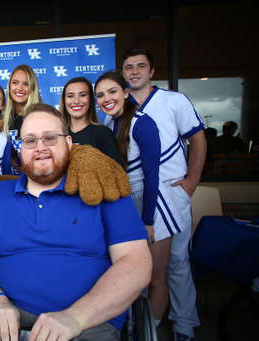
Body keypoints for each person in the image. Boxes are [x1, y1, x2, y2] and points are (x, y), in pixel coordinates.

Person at [0, 103, 152, 341]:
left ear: (69, 143)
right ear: (20, 148)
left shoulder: (103, 188)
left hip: (88, 322)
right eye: (30, 140)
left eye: (50, 138)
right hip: (6, 317)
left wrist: (76, 317)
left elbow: (136, 263)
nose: (40, 147)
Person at [122, 47, 206, 341]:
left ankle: (184, 324)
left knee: (178, 261)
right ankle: (146, 325)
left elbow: (198, 139)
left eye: (140, 66)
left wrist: (192, 181)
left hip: (172, 192)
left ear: (151, 71)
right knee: (141, 263)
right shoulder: (120, 107)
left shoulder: (174, 100)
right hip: (136, 195)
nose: (134, 71)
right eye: (129, 67)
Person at [95, 71, 174, 331]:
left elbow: (153, 175)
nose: (107, 98)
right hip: (127, 200)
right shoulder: (109, 123)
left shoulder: (143, 123)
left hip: (152, 203)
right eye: (100, 95)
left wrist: (149, 221)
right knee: (132, 277)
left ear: (126, 92)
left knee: (154, 278)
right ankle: (133, 330)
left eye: (113, 91)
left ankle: (151, 332)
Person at [59, 76, 123, 166]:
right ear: (64, 101)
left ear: (90, 101)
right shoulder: (58, 135)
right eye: (70, 96)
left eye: (82, 95)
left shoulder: (103, 133)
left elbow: (116, 173)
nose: (76, 101)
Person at [2, 64, 43, 174]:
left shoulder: (44, 117)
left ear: (33, 87)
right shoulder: (3, 120)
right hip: (11, 182)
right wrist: (20, 168)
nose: (19, 88)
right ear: (9, 85)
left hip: (39, 179)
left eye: (26, 84)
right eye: (15, 82)